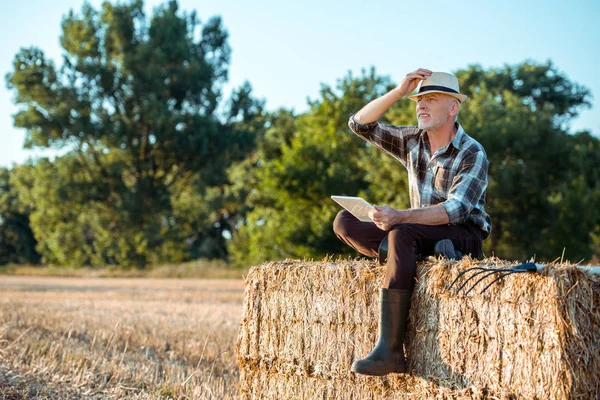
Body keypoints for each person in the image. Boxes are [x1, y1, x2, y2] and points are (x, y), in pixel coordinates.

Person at [333, 69, 492, 376]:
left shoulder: (472, 152)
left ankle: (390, 351)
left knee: (401, 234)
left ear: (453, 108)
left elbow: (455, 210)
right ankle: (413, 257)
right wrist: (397, 91)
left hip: (463, 233)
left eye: (431, 99)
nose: (421, 105)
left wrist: (399, 217)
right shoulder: (412, 141)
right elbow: (359, 124)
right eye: (418, 100)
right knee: (345, 220)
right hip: (419, 231)